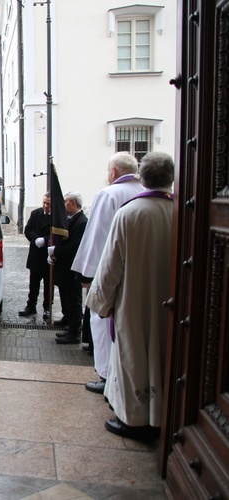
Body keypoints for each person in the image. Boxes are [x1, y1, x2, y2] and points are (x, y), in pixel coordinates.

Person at [86, 151, 174, 442]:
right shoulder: (183, 212)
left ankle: (134, 419)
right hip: (172, 303)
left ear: (143, 177)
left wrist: (100, 301)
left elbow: (110, 265)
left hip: (135, 301)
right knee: (165, 354)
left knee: (133, 356)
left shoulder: (130, 212)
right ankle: (166, 413)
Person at [72, 152, 143, 394]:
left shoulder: (109, 194)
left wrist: (88, 277)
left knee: (102, 325)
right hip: (141, 275)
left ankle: (106, 376)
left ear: (113, 172)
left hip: (114, 274)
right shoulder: (145, 192)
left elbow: (98, 239)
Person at [48, 191, 88, 344]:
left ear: (72, 203)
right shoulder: (72, 219)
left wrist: (56, 250)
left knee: (74, 300)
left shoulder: (81, 222)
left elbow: (74, 247)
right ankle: (69, 323)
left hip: (73, 268)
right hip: (66, 268)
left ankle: (74, 332)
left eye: (65, 202)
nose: (63, 205)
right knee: (66, 297)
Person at [19, 193, 51, 319]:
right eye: (44, 202)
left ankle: (47, 307)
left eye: (48, 203)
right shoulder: (35, 213)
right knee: (33, 283)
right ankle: (31, 306)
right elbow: (28, 229)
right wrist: (36, 239)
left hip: (49, 255)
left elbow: (59, 233)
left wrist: (45, 240)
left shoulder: (57, 216)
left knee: (48, 284)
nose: (45, 205)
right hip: (36, 254)